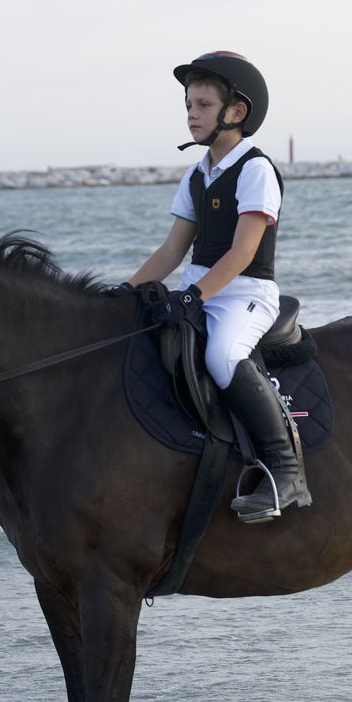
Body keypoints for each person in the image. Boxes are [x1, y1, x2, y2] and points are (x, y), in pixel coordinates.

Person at [125, 51, 311, 522]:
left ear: (236, 112)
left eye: (203, 104)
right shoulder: (196, 173)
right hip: (201, 288)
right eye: (189, 104)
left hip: (245, 293)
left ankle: (286, 472)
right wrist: (121, 293)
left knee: (222, 355)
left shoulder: (255, 169)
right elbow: (171, 252)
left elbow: (243, 252)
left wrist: (195, 295)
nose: (191, 113)